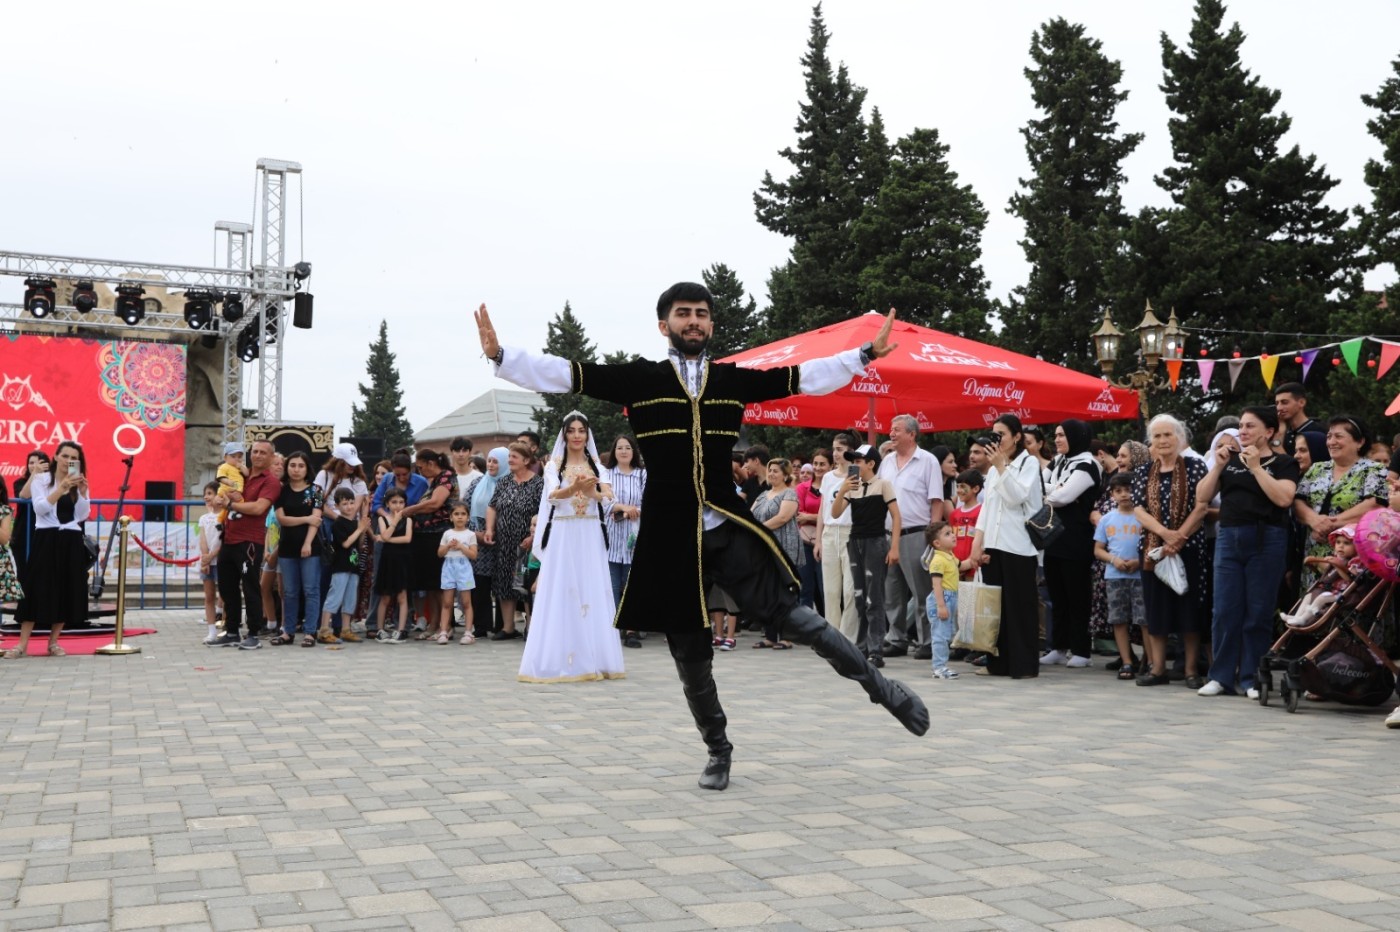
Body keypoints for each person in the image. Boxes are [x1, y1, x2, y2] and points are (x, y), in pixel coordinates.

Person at [478, 285, 928, 791]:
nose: (694, 321)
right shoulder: (641, 379)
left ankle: (881, 688)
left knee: (798, 617)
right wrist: (501, 356)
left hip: (727, 526)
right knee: (690, 656)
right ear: (663, 324)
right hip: (670, 541)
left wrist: (864, 355)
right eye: (683, 314)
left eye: (702, 315)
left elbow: (802, 378)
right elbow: (571, 375)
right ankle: (718, 749)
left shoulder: (731, 381)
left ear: (711, 325)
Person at [1194, 406, 1300, 697]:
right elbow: (1202, 498)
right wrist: (1216, 466)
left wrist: (1255, 467)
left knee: (1258, 610)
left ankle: (1252, 678)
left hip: (1267, 538)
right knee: (1225, 609)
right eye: (1240, 426)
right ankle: (1221, 676)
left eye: (1250, 426)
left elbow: (1283, 499)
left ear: (1269, 432)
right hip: (1229, 537)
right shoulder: (1228, 461)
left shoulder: (1284, 463)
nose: (1243, 431)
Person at [518, 412, 625, 682]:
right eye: (572, 430)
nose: (577, 435)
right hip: (565, 531)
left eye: (581, 430)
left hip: (589, 531)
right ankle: (560, 655)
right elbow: (552, 495)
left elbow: (609, 496)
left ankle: (596, 656)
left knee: (591, 586)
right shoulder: (554, 464)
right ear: (564, 435)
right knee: (564, 587)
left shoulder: (597, 465)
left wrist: (593, 494)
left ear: (587, 434)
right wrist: (573, 488)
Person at [1130, 415, 1209, 687]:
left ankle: (1189, 670)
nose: (1163, 441)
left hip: (1188, 548)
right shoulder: (1143, 471)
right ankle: (1158, 668)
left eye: (1168, 435)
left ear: (1179, 437)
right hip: (1153, 550)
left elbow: (1202, 507)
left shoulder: (1196, 466)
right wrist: (1165, 536)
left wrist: (1179, 538)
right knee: (1156, 609)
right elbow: (1138, 509)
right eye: (1158, 436)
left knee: (1189, 609)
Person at [968, 416, 1044, 679]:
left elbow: (1017, 497)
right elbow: (986, 508)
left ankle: (1022, 664)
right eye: (994, 434)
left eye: (1001, 434)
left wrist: (1001, 467)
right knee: (995, 607)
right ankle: (997, 662)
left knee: (1020, 606)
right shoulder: (993, 468)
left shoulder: (1029, 462)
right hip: (994, 543)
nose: (996, 439)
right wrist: (977, 542)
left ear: (1016, 436)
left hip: (1019, 545)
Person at [6, 440, 90, 657]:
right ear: (55, 456)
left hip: (71, 538)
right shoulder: (42, 479)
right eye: (65, 456)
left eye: (73, 458)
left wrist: (82, 492)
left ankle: (54, 642)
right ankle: (21, 644)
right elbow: (40, 509)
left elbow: (81, 515)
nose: (68, 461)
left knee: (65, 587)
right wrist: (60, 490)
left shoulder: (76, 481)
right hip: (46, 536)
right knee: (35, 588)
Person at [1294, 416, 1387, 589]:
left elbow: (1375, 504)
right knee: (1312, 607)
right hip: (1315, 554)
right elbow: (1298, 501)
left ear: (1359, 442)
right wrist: (1313, 520)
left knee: (1349, 607)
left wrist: (1330, 524)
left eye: (1338, 436)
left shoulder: (1373, 469)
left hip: (1354, 557)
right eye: (1329, 437)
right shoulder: (1318, 468)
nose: (1331, 442)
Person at [830, 444, 902, 665]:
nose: (855, 465)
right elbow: (835, 513)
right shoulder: (852, 487)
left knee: (874, 598)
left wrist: (894, 547)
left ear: (871, 464)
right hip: (855, 542)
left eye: (859, 461)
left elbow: (896, 517)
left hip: (875, 542)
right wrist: (842, 489)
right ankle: (861, 647)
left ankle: (875, 650)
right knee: (860, 597)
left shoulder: (883, 485)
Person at [1038, 420, 1102, 668]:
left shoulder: (1087, 464)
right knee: (1057, 595)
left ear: (1076, 437)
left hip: (1076, 539)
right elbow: (1041, 487)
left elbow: (1065, 497)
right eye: (1055, 435)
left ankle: (1082, 650)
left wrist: (1052, 492)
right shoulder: (1058, 461)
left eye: (1062, 435)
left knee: (1077, 595)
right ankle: (1059, 646)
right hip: (1054, 537)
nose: (1057, 440)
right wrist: (1055, 490)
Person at [878, 414, 942, 660]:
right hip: (887, 533)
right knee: (891, 589)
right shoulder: (887, 462)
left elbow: (935, 500)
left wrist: (933, 537)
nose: (891, 434)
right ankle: (896, 637)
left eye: (897, 430)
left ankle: (926, 640)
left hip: (916, 533)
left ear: (912, 434)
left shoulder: (928, 461)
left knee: (922, 590)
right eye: (890, 430)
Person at [213, 439, 282, 649]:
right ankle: (232, 630)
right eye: (255, 451)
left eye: (263, 452)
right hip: (229, 538)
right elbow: (220, 493)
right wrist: (220, 501)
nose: (258, 455)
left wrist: (230, 503)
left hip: (250, 541)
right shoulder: (240, 473)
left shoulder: (270, 481)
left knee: (250, 587)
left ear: (271, 457)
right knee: (226, 587)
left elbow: (259, 508)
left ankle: (253, 632)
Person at [483, 442, 543, 640]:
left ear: (526, 460)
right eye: (509, 457)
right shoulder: (505, 481)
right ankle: (508, 627)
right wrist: (490, 529)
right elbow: (493, 507)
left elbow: (544, 514)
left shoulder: (538, 484)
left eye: (514, 457)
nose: (510, 460)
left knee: (524, 584)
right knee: (504, 583)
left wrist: (533, 536)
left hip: (526, 544)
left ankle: (530, 627)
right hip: (504, 543)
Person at [314, 444, 371, 639]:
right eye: (347, 463)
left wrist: (357, 524)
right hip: (331, 526)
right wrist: (338, 518)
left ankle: (343, 628)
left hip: (352, 528)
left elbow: (361, 505)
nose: (352, 467)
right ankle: (323, 627)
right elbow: (317, 500)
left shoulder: (359, 481)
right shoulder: (324, 475)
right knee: (329, 582)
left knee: (349, 590)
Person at [1094, 472, 1145, 679]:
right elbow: (1098, 549)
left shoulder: (1143, 516)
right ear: (1112, 494)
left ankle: (1149, 660)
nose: (1125, 494)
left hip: (1140, 575)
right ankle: (1126, 661)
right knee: (1119, 620)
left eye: (1129, 489)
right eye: (1119, 491)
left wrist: (1138, 562)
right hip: (1115, 576)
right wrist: (1114, 560)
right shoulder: (1107, 519)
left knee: (1144, 620)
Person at [272, 451, 324, 646]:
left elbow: (316, 520)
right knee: (290, 591)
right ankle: (288, 632)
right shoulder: (281, 491)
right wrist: (305, 518)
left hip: (310, 547)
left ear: (307, 468)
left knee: (311, 590)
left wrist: (308, 543)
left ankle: (311, 632)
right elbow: (282, 519)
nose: (296, 469)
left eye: (300, 466)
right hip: (287, 547)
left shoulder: (316, 490)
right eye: (292, 465)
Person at [750, 458, 802, 650]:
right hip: (765, 547)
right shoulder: (763, 495)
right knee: (767, 590)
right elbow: (750, 514)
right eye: (770, 470)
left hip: (784, 545)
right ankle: (770, 635)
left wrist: (758, 529)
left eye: (776, 471)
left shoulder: (789, 493)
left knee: (785, 591)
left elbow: (782, 517)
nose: (771, 473)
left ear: (786, 475)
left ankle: (787, 636)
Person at [405, 450, 456, 638]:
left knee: (442, 584)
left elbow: (436, 503)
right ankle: (434, 623)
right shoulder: (432, 481)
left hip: (439, 535)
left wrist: (409, 510)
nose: (420, 471)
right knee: (431, 585)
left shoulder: (447, 476)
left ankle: (446, 625)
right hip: (425, 537)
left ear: (430, 463)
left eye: (420, 466)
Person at [815, 432, 858, 642]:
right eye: (834, 449)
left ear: (850, 451)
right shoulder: (828, 477)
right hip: (830, 533)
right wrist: (819, 539)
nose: (835, 454)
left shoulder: (857, 475)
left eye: (840, 449)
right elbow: (824, 508)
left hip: (851, 532)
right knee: (831, 591)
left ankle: (848, 637)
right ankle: (832, 637)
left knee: (850, 590)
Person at [604, 435, 646, 648]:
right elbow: (603, 503)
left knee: (631, 586)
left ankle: (631, 629)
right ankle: (612, 629)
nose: (623, 451)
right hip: (611, 539)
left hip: (635, 537)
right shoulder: (607, 475)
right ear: (614, 451)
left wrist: (632, 510)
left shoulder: (642, 475)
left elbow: (648, 502)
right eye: (619, 447)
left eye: (627, 447)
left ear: (633, 452)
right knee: (611, 586)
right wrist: (621, 507)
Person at [319, 488, 372, 648]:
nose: (349, 507)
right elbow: (346, 543)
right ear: (337, 506)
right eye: (344, 504)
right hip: (341, 566)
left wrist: (362, 528)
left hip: (353, 566)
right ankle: (324, 629)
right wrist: (359, 529)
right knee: (335, 596)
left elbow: (359, 543)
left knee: (350, 598)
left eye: (351, 503)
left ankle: (346, 629)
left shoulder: (355, 523)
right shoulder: (338, 524)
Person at [464, 447, 508, 639]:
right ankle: (481, 625)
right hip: (479, 539)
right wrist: (475, 534)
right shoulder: (477, 483)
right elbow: (462, 509)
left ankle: (502, 626)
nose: (490, 464)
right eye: (489, 460)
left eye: (495, 461)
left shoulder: (510, 484)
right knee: (480, 583)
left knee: (501, 583)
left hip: (504, 538)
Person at [1283, 525, 1361, 628]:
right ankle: (1296, 617)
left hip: (1343, 594)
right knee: (1308, 596)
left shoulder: (1354, 563)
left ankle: (1304, 619)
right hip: (1329, 589)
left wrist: (1338, 566)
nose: (1341, 546)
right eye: (1338, 542)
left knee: (1320, 598)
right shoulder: (1337, 558)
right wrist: (1316, 561)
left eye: (1346, 543)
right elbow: (1328, 571)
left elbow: (1349, 578)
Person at [374, 488, 414, 642]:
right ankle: (380, 629)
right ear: (387, 504)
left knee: (402, 597)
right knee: (385, 597)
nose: (398, 505)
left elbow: (407, 539)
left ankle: (401, 629)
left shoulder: (408, 520)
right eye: (394, 502)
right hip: (387, 560)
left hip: (402, 560)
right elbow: (385, 534)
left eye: (401, 502)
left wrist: (386, 539)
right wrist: (395, 522)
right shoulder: (382, 519)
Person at [437, 501, 479, 645]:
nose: (460, 517)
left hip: (464, 569)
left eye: (463, 514)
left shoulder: (470, 535)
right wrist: (448, 546)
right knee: (447, 602)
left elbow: (473, 555)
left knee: (466, 602)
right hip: (449, 568)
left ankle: (468, 632)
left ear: (468, 517)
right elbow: (440, 553)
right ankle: (443, 631)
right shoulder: (447, 534)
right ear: (451, 517)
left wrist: (461, 546)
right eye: (456, 514)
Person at [924, 521, 960, 680]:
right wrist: (941, 606)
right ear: (937, 543)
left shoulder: (950, 556)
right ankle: (939, 667)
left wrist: (976, 561)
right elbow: (936, 584)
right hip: (942, 599)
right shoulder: (938, 560)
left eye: (952, 532)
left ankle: (942, 666)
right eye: (947, 534)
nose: (953, 535)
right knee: (940, 635)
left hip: (950, 598)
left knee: (946, 634)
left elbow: (961, 566)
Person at [794, 451, 827, 615]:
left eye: (822, 464)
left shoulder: (833, 485)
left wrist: (811, 516)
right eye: (816, 463)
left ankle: (828, 626)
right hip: (806, 542)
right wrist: (819, 517)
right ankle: (807, 627)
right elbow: (799, 515)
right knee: (805, 588)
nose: (818, 468)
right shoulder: (801, 487)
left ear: (830, 466)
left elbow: (833, 515)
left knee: (825, 588)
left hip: (827, 541)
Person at [196, 482, 223, 645]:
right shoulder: (204, 518)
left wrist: (213, 554)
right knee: (209, 596)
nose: (207, 497)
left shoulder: (225, 516)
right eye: (206, 493)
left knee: (225, 595)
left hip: (221, 560)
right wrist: (205, 558)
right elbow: (203, 538)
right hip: (208, 562)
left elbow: (222, 539)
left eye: (210, 493)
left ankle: (226, 628)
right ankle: (211, 631)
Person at [1274, 382, 1321, 455]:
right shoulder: (1284, 431)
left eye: (1285, 402)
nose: (1279, 408)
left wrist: (1276, 444)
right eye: (1277, 403)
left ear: (1301, 402)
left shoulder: (1317, 431)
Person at [215, 442, 248, 528]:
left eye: (239, 457)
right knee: (239, 501)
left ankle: (220, 520)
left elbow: (247, 474)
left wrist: (241, 467)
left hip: (236, 489)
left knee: (232, 504)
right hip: (227, 489)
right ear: (225, 457)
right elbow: (220, 477)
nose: (237, 459)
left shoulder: (240, 467)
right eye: (233, 456)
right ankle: (232, 514)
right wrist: (227, 481)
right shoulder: (224, 466)